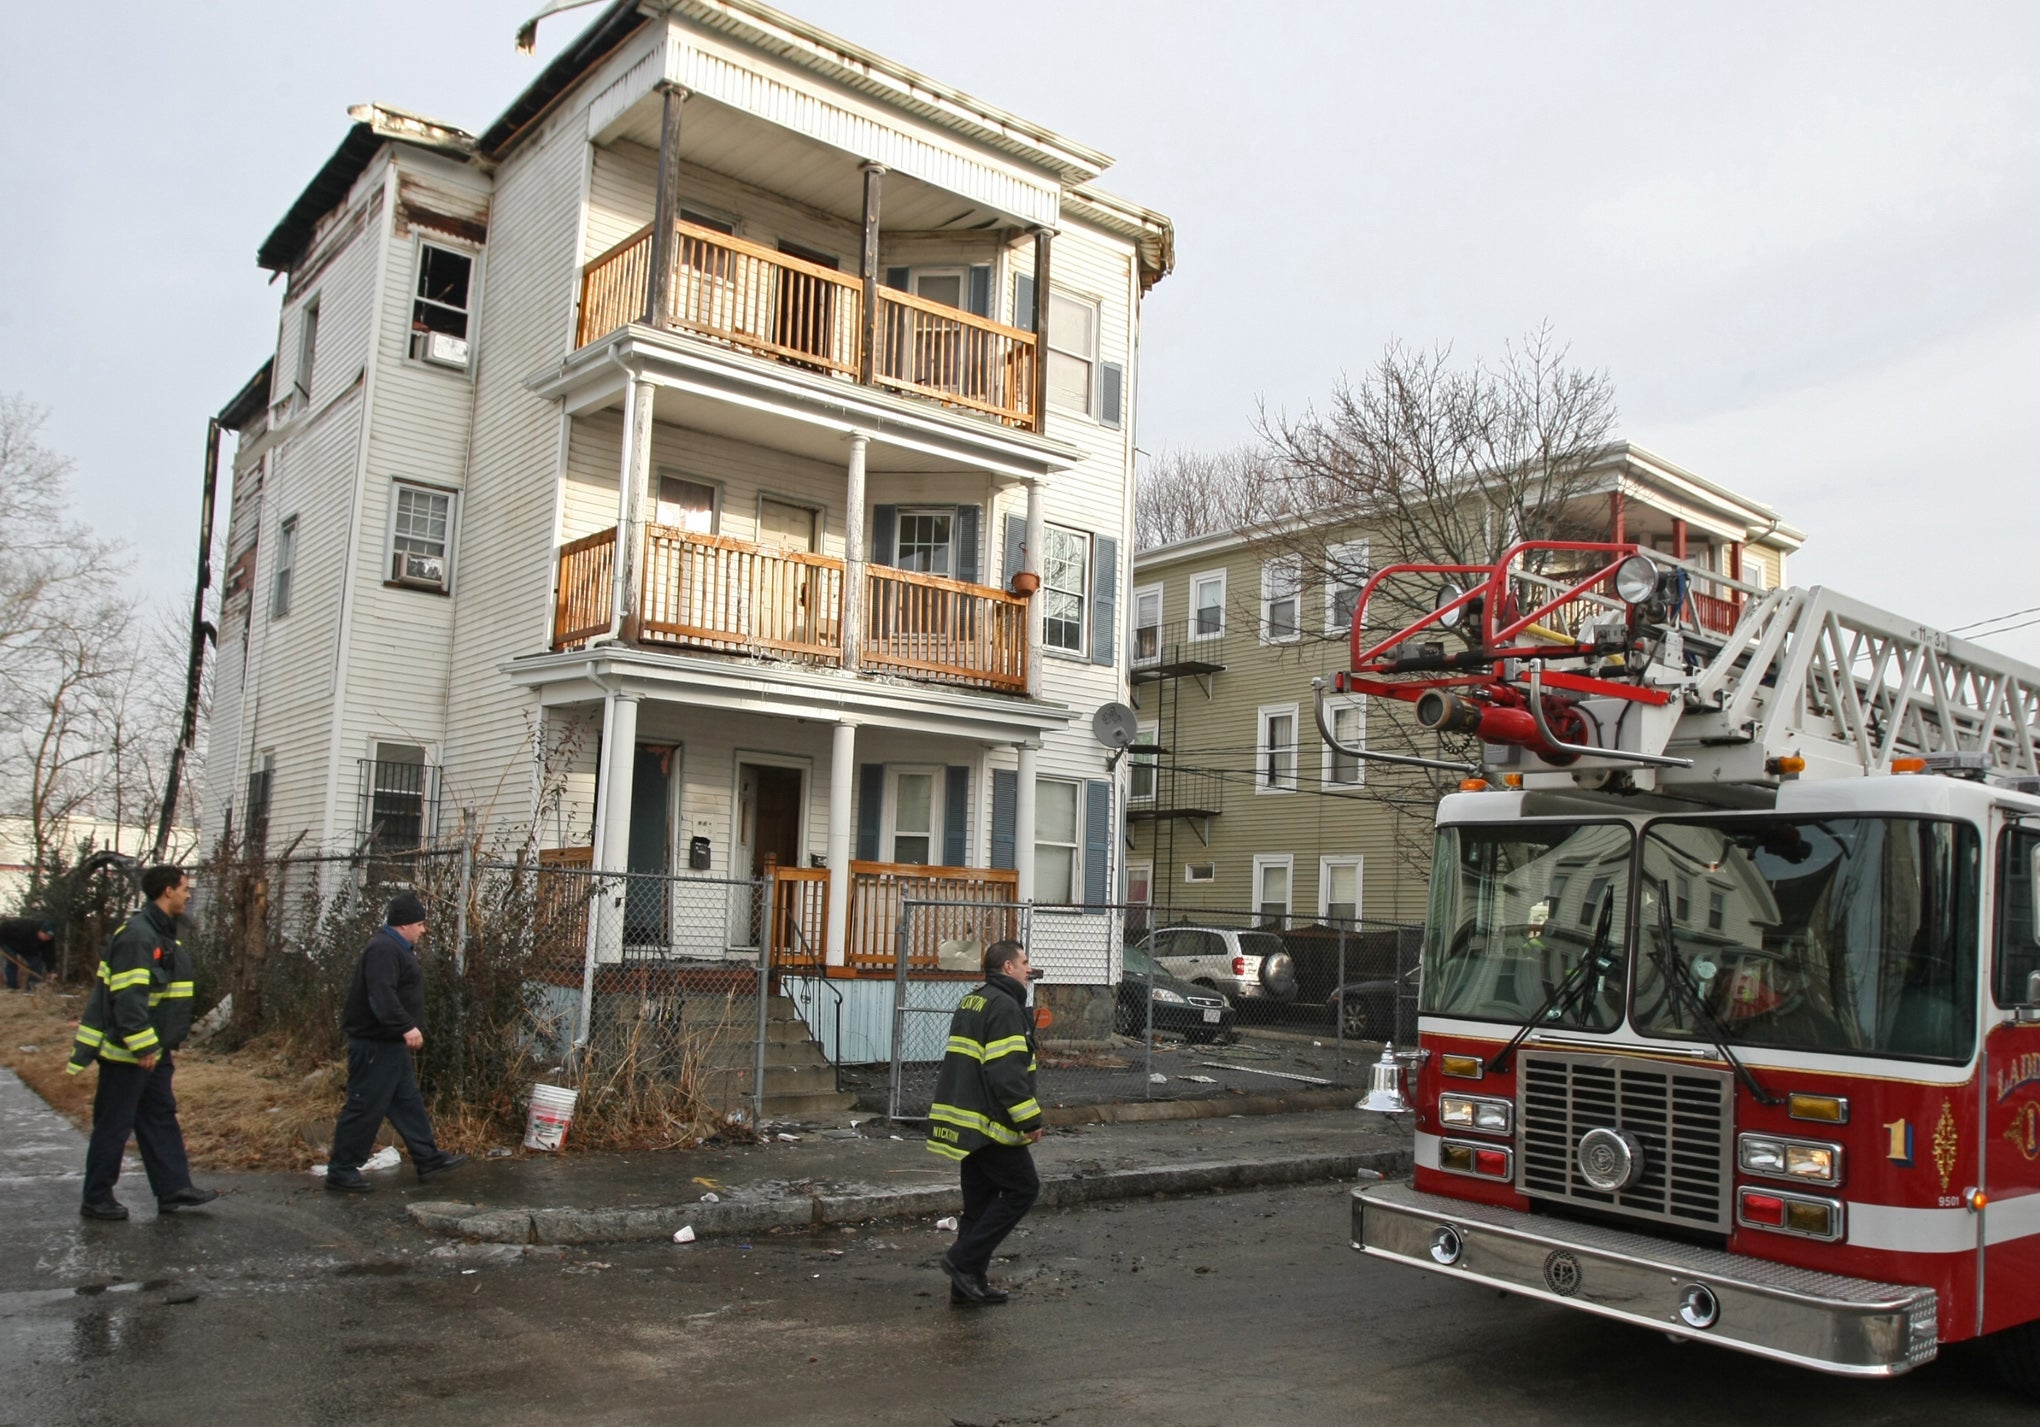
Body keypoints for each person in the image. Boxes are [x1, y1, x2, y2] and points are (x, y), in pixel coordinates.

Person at [66, 865, 219, 1220]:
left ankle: (172, 1187)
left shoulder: (160, 932)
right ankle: (97, 1197)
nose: (188, 894)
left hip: (154, 1050)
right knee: (115, 1124)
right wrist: (142, 1045)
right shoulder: (138, 936)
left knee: (159, 1116)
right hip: (130, 1053)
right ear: (167, 891)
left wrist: (156, 1046)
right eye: (184, 888)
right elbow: (129, 997)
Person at [926, 938, 1043, 1306]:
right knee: (1024, 1189)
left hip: (965, 1122)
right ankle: (961, 1261)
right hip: (990, 1123)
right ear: (1007, 968)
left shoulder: (972, 1000)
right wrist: (1029, 1119)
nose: (1028, 969)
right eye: (1024, 962)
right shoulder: (1005, 1008)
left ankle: (965, 1287)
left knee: (978, 1207)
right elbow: (1006, 1075)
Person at [325, 892, 466, 1193]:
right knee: (365, 1104)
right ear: (403, 925)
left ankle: (427, 1156)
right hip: (375, 1043)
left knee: (406, 1102)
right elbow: (382, 995)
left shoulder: (396, 947)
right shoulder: (384, 950)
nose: (423, 929)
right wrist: (406, 1026)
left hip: (388, 1043)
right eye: (419, 923)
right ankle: (341, 1170)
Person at [1, 917, 55, 990]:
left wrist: (51, 970)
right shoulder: (25, 926)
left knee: (37, 963)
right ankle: (11, 988)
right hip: (9, 944)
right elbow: (3, 928)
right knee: (12, 962)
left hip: (27, 949)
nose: (47, 938)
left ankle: (30, 989)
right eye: (45, 935)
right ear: (40, 931)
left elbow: (49, 954)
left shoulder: (48, 940)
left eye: (49, 937)